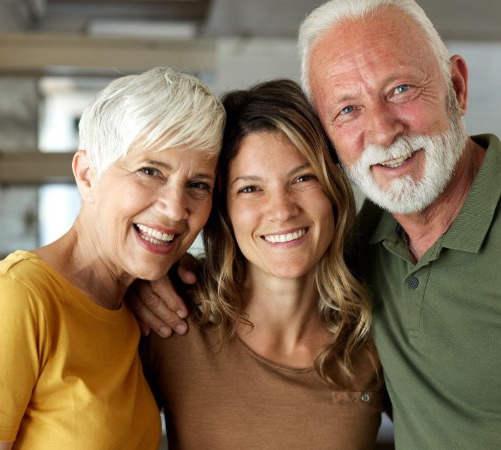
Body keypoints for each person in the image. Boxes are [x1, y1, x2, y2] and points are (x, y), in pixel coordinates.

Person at [133, 1, 501, 448]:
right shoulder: (366, 245)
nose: (382, 132)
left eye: (402, 89)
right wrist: (143, 276)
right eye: (348, 109)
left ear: (456, 85)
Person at [0, 67, 225, 450]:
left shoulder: (135, 305)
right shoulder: (12, 297)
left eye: (198, 185)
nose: (175, 209)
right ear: (87, 175)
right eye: (150, 171)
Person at [140, 79, 387, 449]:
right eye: (251, 188)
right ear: (224, 209)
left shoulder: (376, 330)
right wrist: (135, 280)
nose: (282, 210)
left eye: (303, 178)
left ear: (334, 190)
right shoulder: (170, 318)